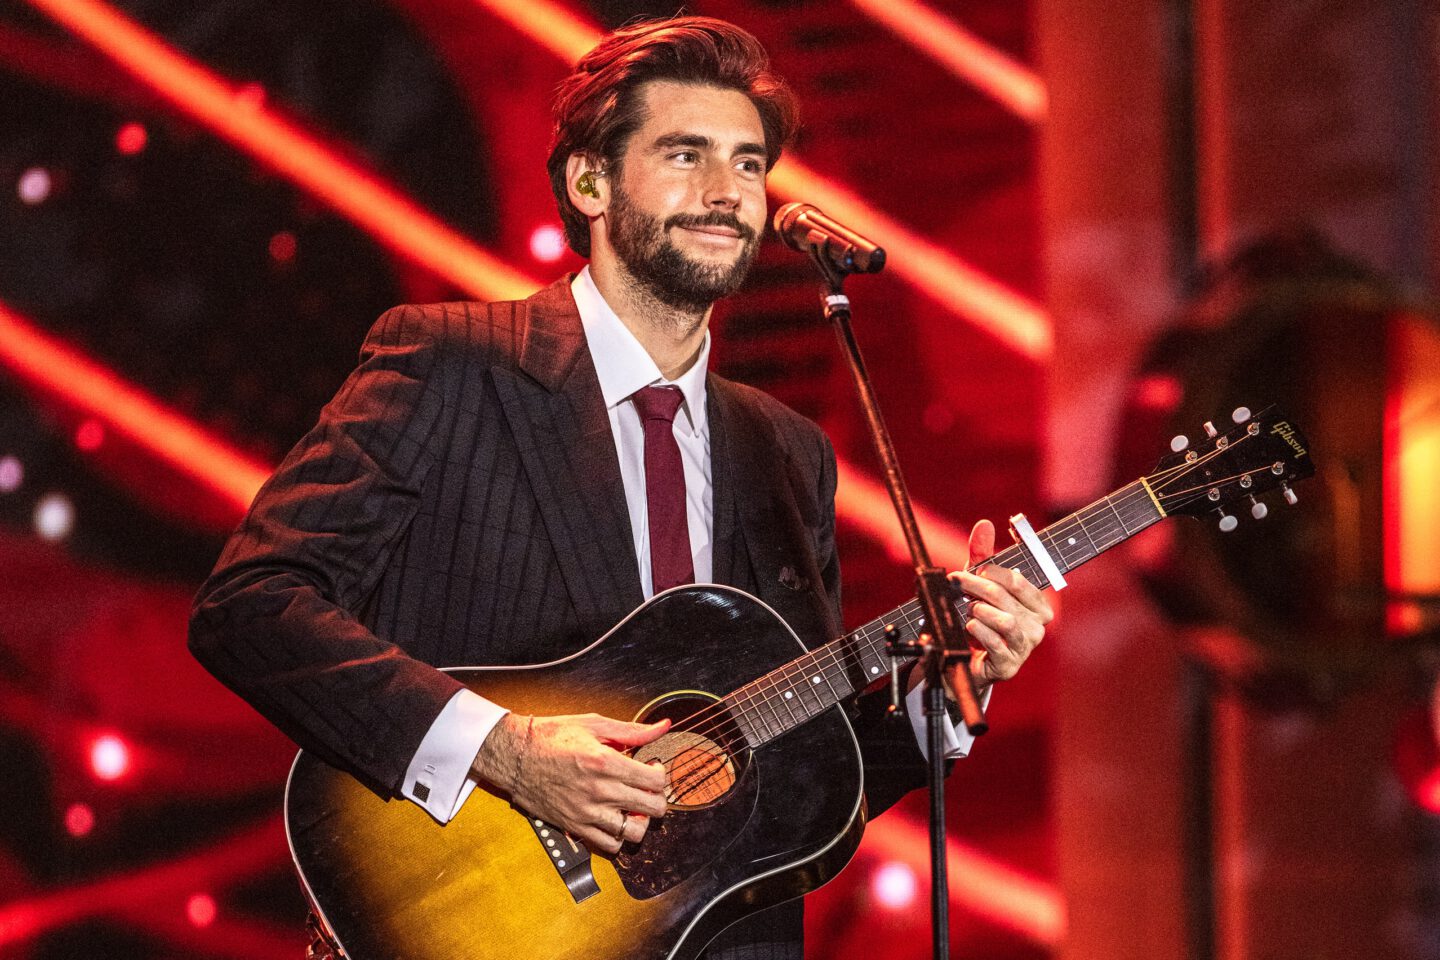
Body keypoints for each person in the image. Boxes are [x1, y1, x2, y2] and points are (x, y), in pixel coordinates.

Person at [188, 16, 1051, 959]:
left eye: (750, 163)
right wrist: (505, 751)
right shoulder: (451, 363)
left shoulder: (785, 450)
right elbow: (251, 605)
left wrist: (945, 692)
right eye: (686, 154)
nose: (727, 191)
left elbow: (795, 783)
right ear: (589, 183)